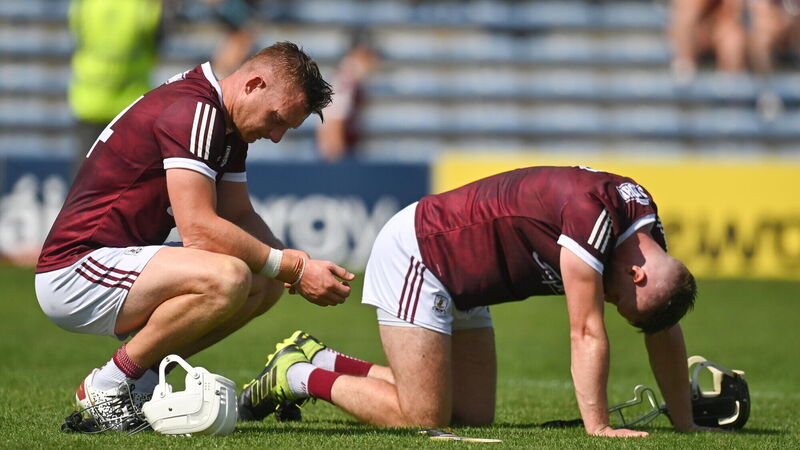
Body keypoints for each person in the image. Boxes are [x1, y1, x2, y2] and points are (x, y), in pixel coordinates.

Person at [239, 166, 719, 437]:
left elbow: (662, 326)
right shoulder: (593, 216)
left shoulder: (646, 240)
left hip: (468, 280)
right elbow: (586, 331)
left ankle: (322, 358)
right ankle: (297, 375)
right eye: (620, 300)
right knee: (423, 417)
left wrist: (686, 424)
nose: (610, 302)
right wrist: (598, 427)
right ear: (637, 273)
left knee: (471, 414)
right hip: (422, 254)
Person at [35, 41, 354, 431]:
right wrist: (294, 268)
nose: (275, 136)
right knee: (229, 277)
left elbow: (238, 215)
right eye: (276, 119)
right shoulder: (196, 109)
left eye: (286, 128)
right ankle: (107, 386)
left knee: (264, 282)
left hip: (118, 259)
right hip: (75, 268)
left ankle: (141, 386)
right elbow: (200, 230)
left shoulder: (224, 122)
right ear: (254, 84)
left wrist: (293, 264)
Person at [67, 0, 163, 180]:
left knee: (86, 183)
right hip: (131, 105)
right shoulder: (143, 6)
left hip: (89, 102)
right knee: (128, 183)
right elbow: (158, 37)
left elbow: (76, 31)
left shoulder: (85, 5)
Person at [315, 29, 379, 162]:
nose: (374, 62)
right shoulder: (346, 80)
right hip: (338, 155)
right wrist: (338, 163)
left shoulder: (350, 79)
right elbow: (334, 122)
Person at [668, 0, 747, 84]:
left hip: (721, 27)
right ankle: (684, 68)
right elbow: (685, 19)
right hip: (696, 33)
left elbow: (733, 16)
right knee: (686, 14)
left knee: (732, 41)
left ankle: (731, 84)